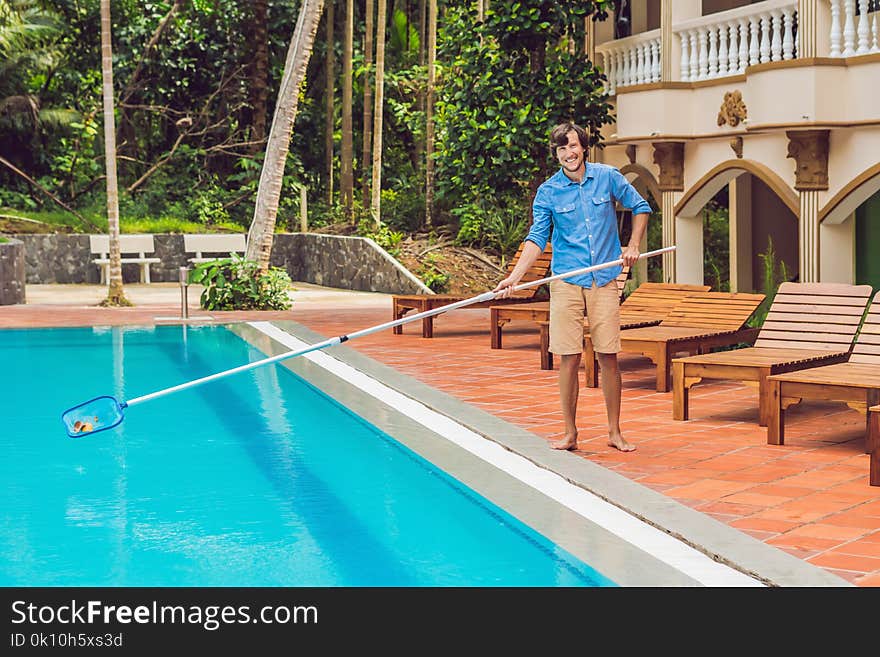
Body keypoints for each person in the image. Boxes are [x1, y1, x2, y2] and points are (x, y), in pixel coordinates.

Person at [494, 122, 651, 453]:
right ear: (556, 153)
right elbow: (538, 237)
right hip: (566, 281)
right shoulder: (548, 192)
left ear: (584, 147)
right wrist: (516, 277)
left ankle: (614, 431)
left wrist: (632, 244)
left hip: (604, 279)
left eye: (573, 146)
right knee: (568, 357)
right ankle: (570, 433)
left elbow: (640, 207)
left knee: (608, 355)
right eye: (562, 148)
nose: (569, 153)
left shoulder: (607, 177)